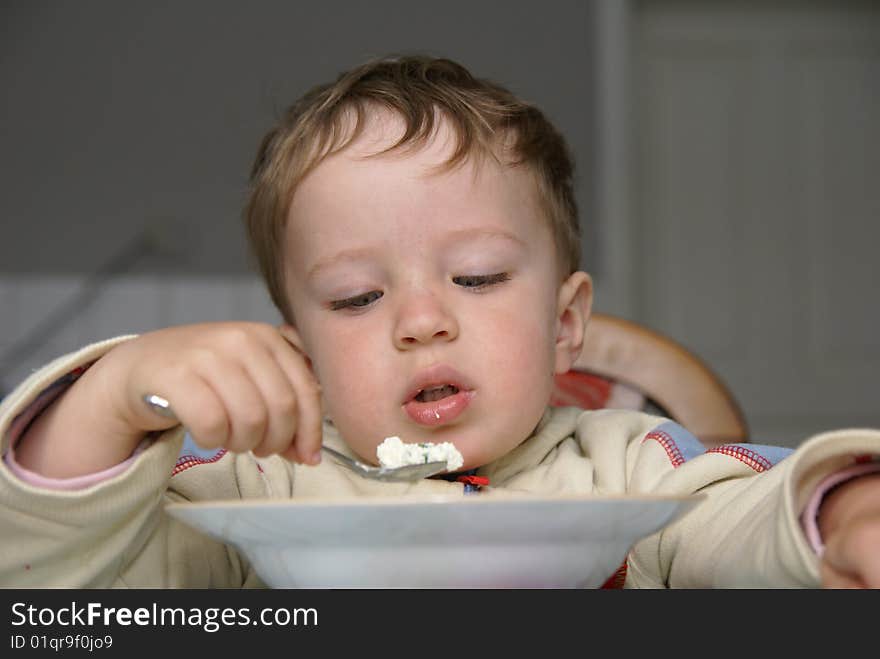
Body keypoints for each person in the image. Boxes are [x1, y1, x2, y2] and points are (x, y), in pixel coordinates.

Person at [1, 54, 878, 589]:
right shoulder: (247, 489)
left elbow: (751, 518)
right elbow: (60, 587)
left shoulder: (633, 470)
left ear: (567, 322)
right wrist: (110, 399)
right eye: (355, 297)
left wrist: (843, 514)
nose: (421, 321)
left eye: (478, 275)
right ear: (299, 349)